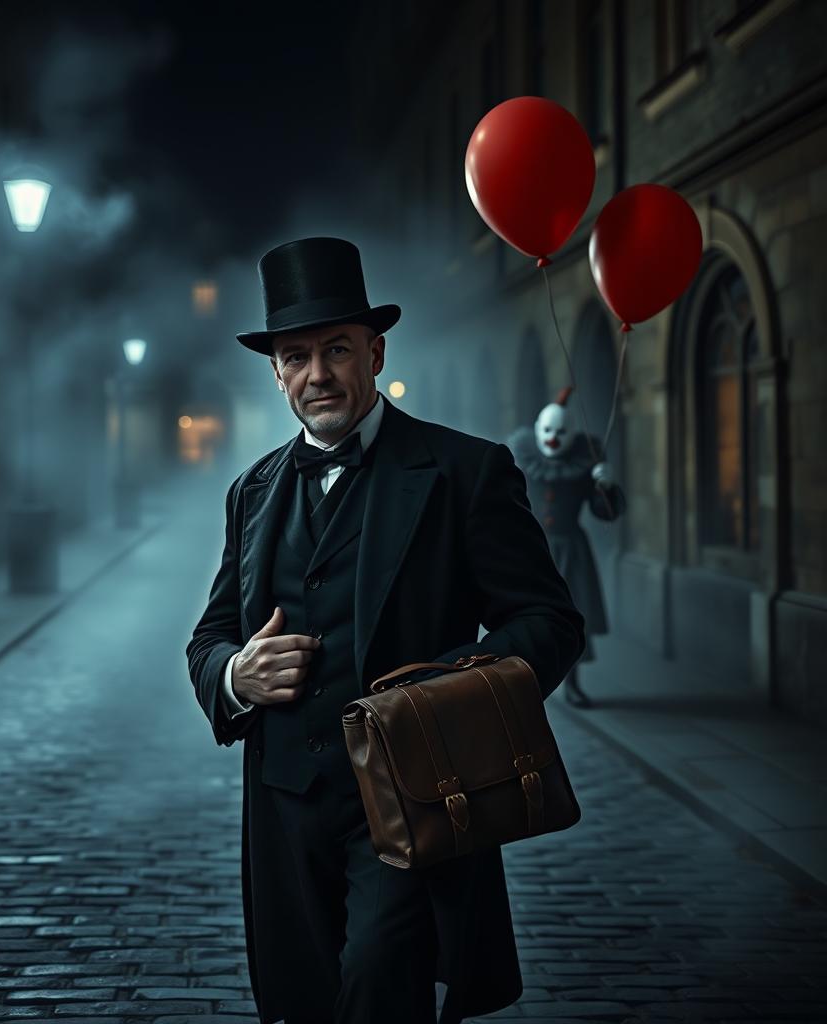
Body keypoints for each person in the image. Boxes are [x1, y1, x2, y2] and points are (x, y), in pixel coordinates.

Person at [186, 236, 585, 1024]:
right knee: (304, 999)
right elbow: (211, 638)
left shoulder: (466, 472)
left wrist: (451, 691)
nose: (318, 375)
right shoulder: (252, 491)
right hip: (286, 806)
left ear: (375, 351)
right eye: (296, 357)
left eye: (336, 349)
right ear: (275, 372)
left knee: (379, 985)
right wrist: (236, 675)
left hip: (418, 803)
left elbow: (549, 622)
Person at [507, 386, 627, 708]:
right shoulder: (520, 460)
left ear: (571, 434)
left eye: (560, 433)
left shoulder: (583, 464)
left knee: (572, 616)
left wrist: (606, 485)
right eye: (547, 431)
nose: (553, 439)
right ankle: (524, 680)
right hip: (529, 548)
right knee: (523, 615)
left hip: (571, 550)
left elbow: (607, 513)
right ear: (536, 431)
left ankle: (572, 682)